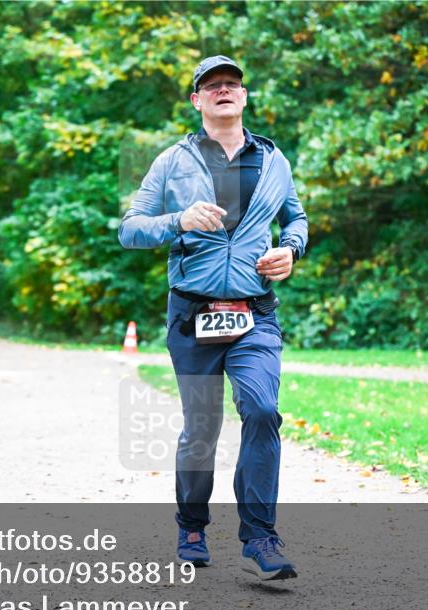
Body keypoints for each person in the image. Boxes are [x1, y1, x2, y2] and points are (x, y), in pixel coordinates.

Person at [118, 56, 308, 581]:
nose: (223, 91)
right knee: (202, 427)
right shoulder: (171, 162)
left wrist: (291, 249)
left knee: (263, 410)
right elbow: (130, 229)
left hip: (255, 312)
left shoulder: (273, 160)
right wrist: (178, 219)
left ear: (244, 97)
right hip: (193, 314)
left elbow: (296, 218)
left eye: (232, 84)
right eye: (211, 86)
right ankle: (192, 526)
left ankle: (261, 538)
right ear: (197, 101)